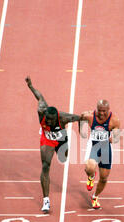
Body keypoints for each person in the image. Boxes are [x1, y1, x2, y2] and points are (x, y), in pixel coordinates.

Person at [25, 76, 81, 213]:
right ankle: (46, 200)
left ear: (56, 117)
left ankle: (62, 148)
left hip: (61, 137)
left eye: (51, 120)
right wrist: (31, 86)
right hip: (47, 139)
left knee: (64, 158)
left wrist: (83, 129)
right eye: (47, 120)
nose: (49, 122)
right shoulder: (41, 110)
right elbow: (39, 96)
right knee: (45, 166)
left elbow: (81, 117)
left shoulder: (65, 117)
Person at [80, 100, 120, 209]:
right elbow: (81, 117)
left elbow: (116, 138)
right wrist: (81, 130)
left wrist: (113, 139)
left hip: (105, 148)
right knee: (89, 168)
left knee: (104, 178)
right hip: (93, 145)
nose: (101, 113)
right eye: (99, 111)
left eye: (104, 111)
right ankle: (91, 176)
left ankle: (95, 196)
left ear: (108, 110)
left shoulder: (114, 120)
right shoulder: (89, 116)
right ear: (96, 109)